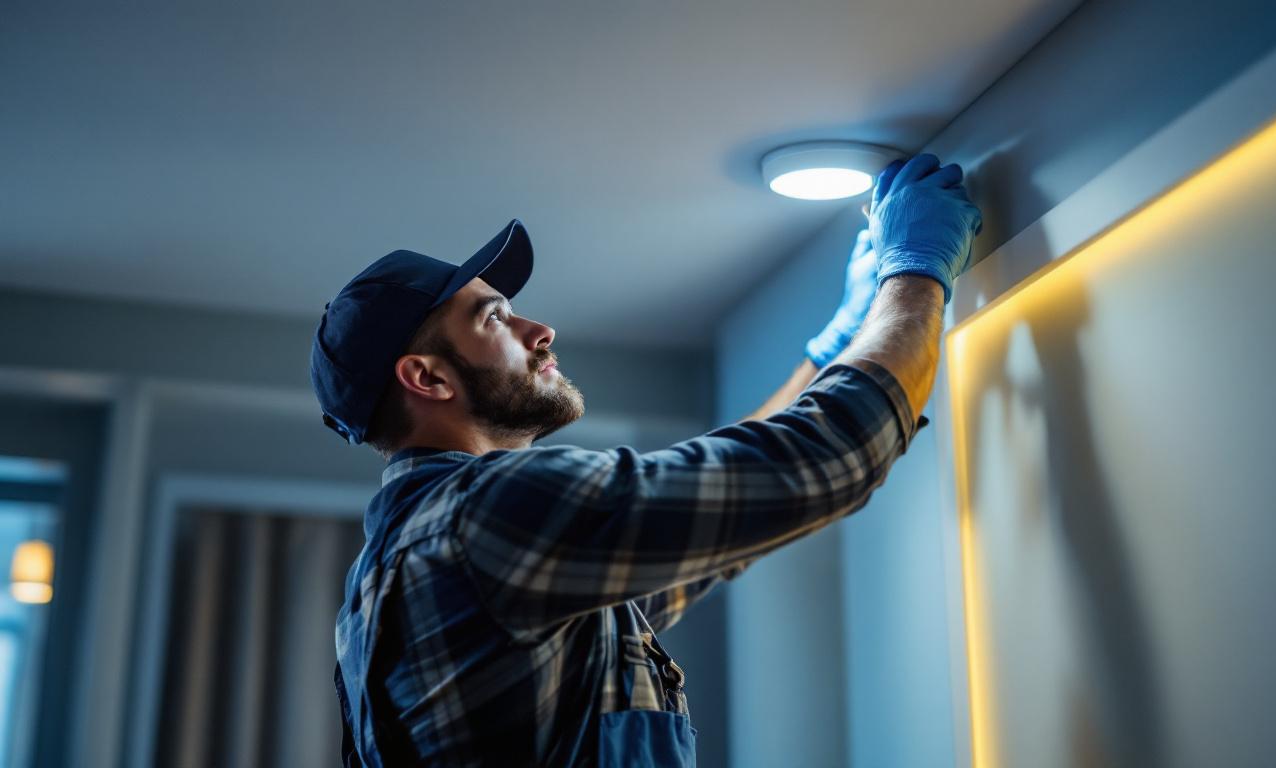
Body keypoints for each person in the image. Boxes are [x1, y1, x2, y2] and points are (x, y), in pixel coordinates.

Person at [309, 153, 982, 767]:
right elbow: (824, 459)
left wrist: (833, 350)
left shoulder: (403, 566)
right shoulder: (487, 515)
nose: (538, 331)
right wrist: (914, 271)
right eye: (494, 319)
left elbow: (717, 511)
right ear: (427, 379)